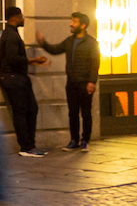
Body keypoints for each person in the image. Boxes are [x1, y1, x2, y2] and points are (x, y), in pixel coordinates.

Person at [38, 12, 101, 151]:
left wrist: (92, 82)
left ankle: (85, 140)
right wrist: (43, 43)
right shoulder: (69, 41)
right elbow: (55, 49)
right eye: (71, 21)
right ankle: (74, 140)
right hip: (71, 83)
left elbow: (95, 63)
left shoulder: (91, 42)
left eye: (74, 22)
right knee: (72, 112)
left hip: (85, 83)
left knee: (85, 113)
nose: (71, 24)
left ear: (83, 25)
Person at [0, 7, 46, 157]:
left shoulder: (12, 33)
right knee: (21, 111)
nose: (23, 18)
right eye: (21, 16)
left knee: (31, 109)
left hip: (18, 77)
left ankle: (30, 145)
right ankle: (26, 147)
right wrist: (33, 60)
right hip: (13, 78)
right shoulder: (10, 36)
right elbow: (13, 59)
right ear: (14, 18)